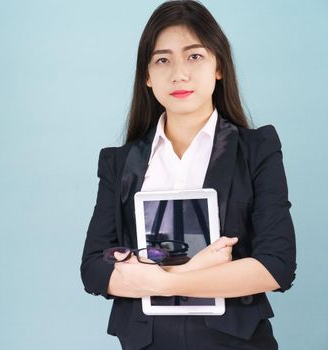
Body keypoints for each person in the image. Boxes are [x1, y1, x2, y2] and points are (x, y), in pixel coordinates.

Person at [80, 1, 296, 349]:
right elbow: (94, 269)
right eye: (162, 59)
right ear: (147, 76)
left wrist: (165, 282)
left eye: (194, 56)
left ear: (219, 66)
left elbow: (276, 267)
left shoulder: (257, 149)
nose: (179, 73)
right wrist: (193, 269)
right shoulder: (119, 163)